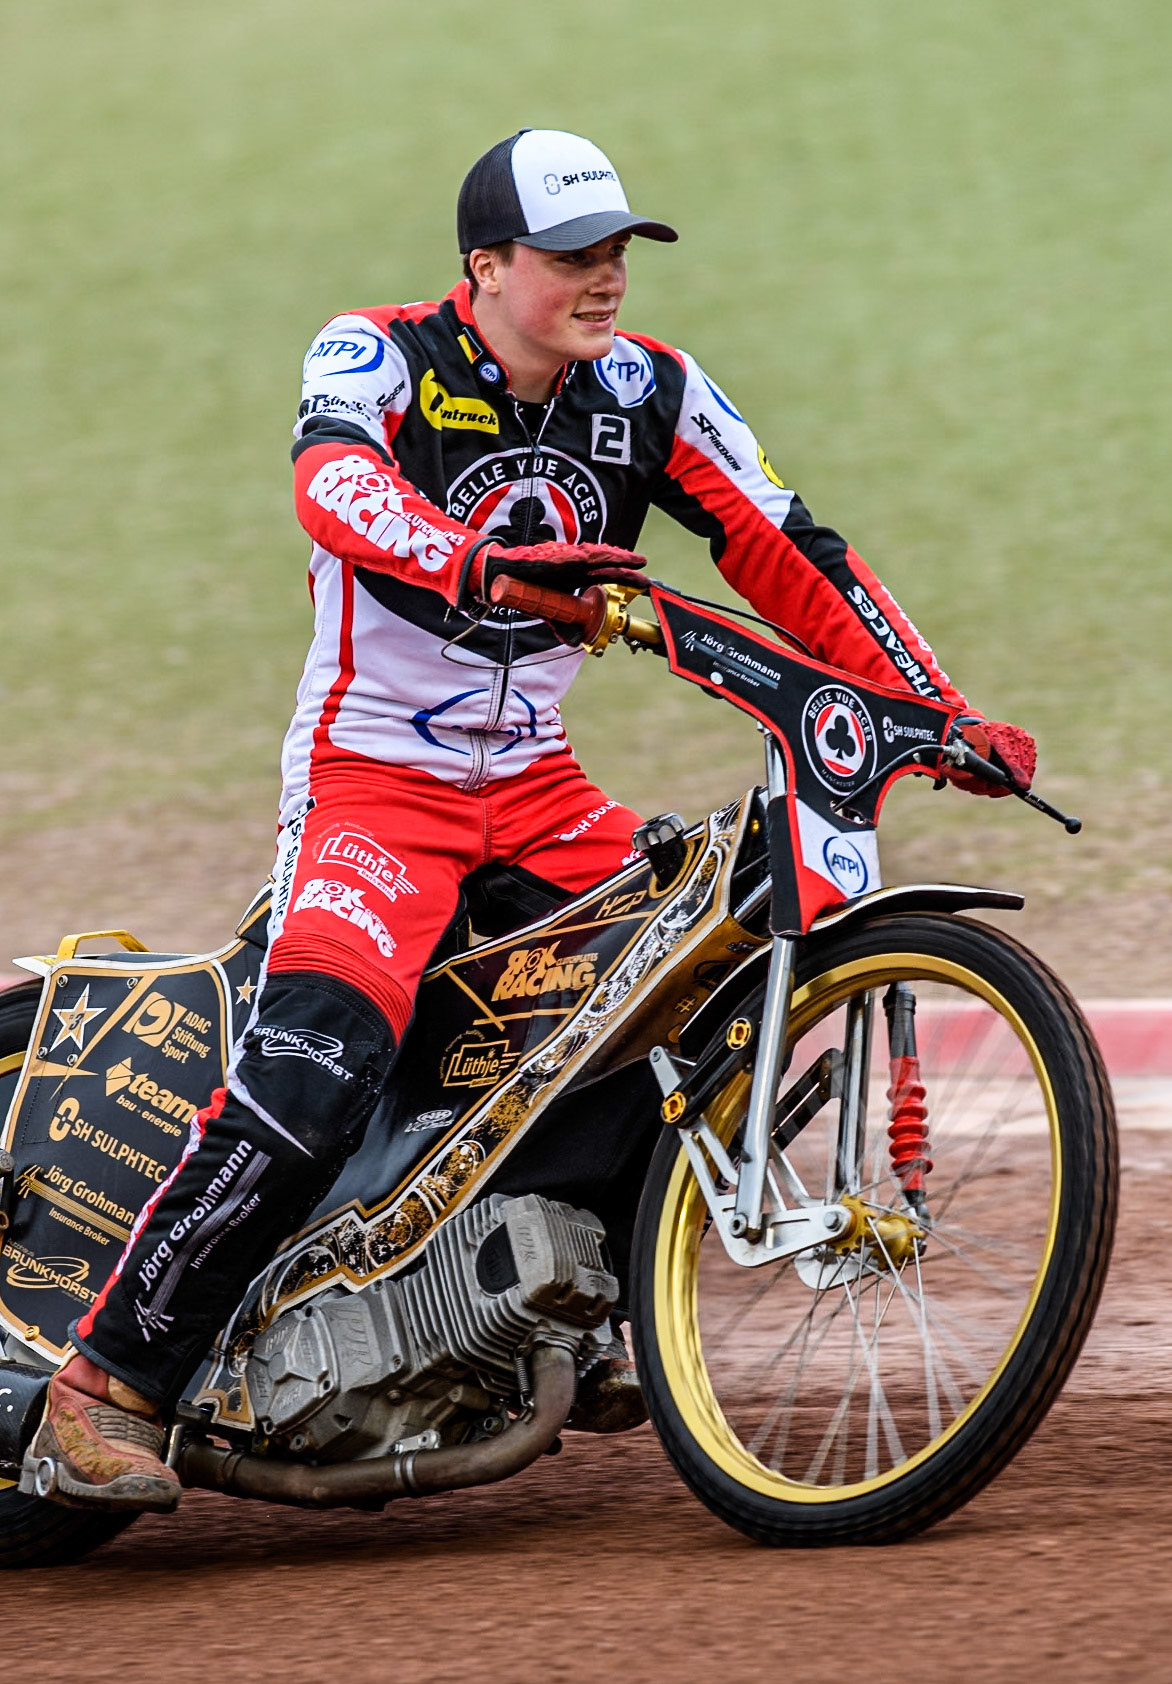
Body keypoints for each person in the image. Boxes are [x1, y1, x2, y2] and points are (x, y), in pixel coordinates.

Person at [25, 129, 1036, 1511]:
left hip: (541, 787)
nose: (605, 277)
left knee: (696, 972)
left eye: (619, 249)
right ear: (485, 268)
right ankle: (108, 1381)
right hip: (371, 785)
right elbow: (336, 487)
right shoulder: (378, 355)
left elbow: (792, 551)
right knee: (321, 1062)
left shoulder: (651, 391)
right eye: (572, 256)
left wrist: (938, 706)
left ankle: (585, 1298)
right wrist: (478, 562)